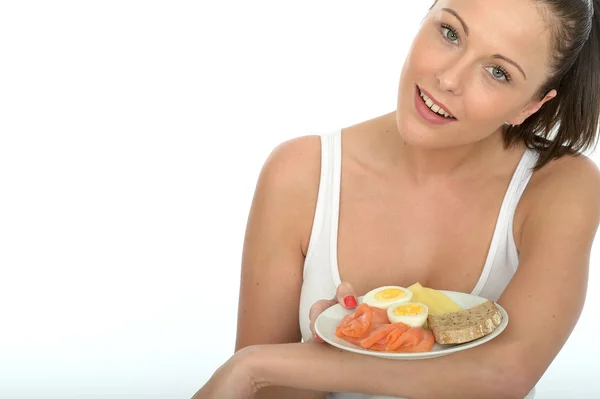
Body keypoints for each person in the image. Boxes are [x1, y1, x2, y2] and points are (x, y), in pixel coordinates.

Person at [194, 0, 600, 398]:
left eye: (497, 71)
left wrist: (253, 366)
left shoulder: (558, 186)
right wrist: (328, 349)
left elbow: (506, 372)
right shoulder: (301, 174)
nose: (449, 79)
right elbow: (271, 398)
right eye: (450, 32)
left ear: (531, 105)